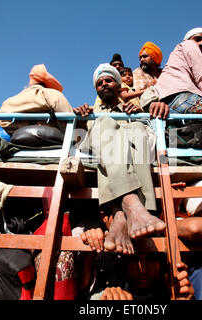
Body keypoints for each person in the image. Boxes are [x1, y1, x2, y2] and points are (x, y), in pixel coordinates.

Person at [73, 63, 169, 255]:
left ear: (119, 85)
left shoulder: (135, 107)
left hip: (132, 146)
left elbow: (153, 128)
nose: (104, 84)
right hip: (99, 147)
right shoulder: (91, 113)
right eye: (99, 83)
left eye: (109, 80)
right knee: (104, 124)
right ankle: (134, 206)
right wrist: (82, 121)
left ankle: (119, 214)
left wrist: (139, 116)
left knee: (138, 131)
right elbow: (77, 143)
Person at [78, 211, 193, 300]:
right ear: (124, 261)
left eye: (151, 259)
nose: (143, 270)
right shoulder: (114, 288)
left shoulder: (172, 289)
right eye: (134, 259)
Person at [0, 64, 73, 135]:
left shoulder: (7, 102)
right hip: (45, 142)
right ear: (47, 85)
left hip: (10, 142)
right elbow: (69, 120)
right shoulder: (52, 94)